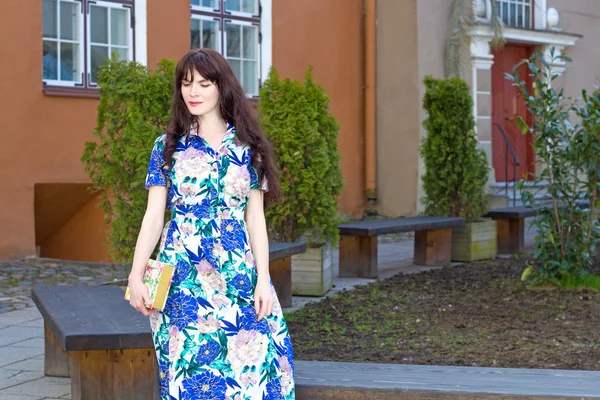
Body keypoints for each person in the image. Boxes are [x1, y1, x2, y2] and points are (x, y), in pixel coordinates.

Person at [127, 48, 295, 400]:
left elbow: (255, 220)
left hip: (238, 270)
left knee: (255, 363)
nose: (193, 92)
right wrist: (136, 274)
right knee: (189, 370)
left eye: (204, 83)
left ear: (222, 88)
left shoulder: (249, 149)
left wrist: (263, 279)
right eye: (186, 84)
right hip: (183, 274)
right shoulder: (167, 147)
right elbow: (154, 216)